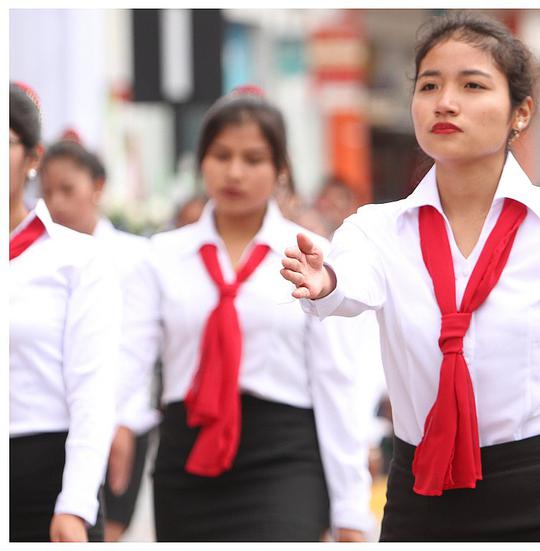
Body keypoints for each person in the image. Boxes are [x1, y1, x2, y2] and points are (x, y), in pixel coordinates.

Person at [280, 12, 540, 542]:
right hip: (423, 498)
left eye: (472, 85)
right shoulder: (378, 230)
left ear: (520, 112)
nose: (444, 101)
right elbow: (352, 280)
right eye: (429, 85)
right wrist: (327, 283)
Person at [120, 86, 375, 541]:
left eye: (253, 159)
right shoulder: (160, 256)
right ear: (201, 160)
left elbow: (336, 381)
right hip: (188, 459)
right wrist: (115, 428)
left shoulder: (310, 256)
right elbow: (127, 366)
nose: (234, 172)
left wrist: (351, 510)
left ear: (280, 169)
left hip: (285, 458)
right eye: (221, 155)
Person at [9, 81, 121, 542]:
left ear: (32, 158)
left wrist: (75, 504)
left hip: (43, 474)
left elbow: (92, 391)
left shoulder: (78, 258)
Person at [38, 129, 160, 542]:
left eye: (68, 189)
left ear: (98, 187)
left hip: (123, 419)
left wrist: (121, 423)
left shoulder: (134, 256)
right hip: (56, 424)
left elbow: (140, 348)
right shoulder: (37, 261)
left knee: (105, 532)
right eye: (47, 191)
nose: (57, 203)